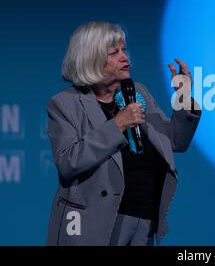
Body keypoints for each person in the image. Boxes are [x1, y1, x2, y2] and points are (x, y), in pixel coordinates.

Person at [46, 21, 201, 246]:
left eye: (124, 49)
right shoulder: (65, 104)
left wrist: (184, 98)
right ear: (92, 59)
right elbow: (69, 162)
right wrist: (117, 125)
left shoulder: (138, 92)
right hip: (96, 224)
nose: (125, 57)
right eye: (114, 52)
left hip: (145, 222)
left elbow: (175, 140)